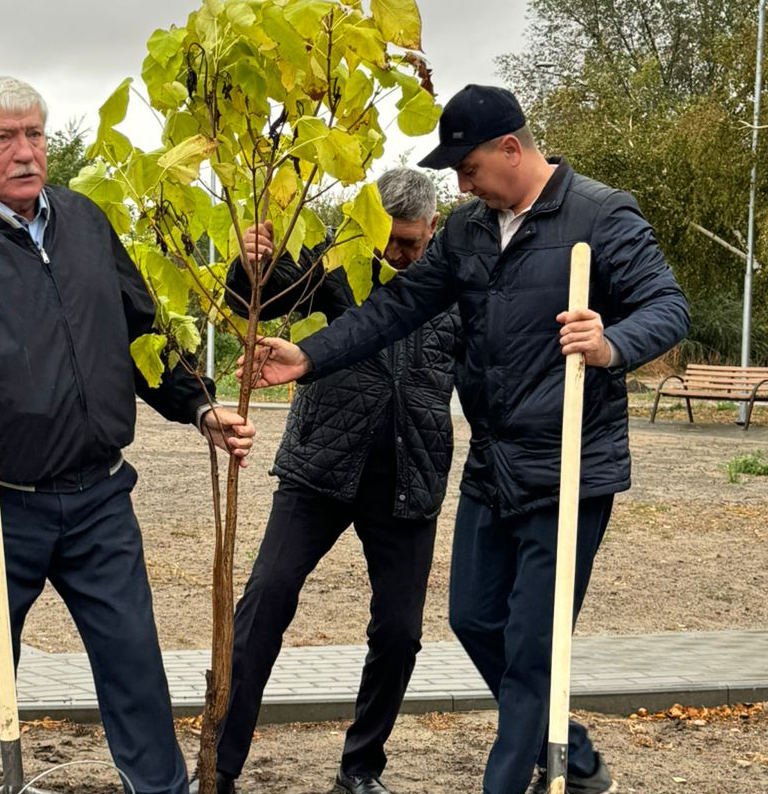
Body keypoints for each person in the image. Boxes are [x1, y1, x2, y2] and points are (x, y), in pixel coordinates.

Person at [238, 85, 689, 794]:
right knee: (474, 619)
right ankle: (565, 741)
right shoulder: (471, 230)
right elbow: (396, 307)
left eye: (468, 166)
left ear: (511, 148)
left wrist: (611, 342)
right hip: (492, 460)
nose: (460, 182)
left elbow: (668, 304)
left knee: (533, 651)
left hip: (569, 462)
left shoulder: (600, 214)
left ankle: (511, 778)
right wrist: (311, 356)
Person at [0, 75, 255, 794]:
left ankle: (161, 789)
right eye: (4, 137)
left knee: (135, 660)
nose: (26, 152)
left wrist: (199, 406)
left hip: (98, 495)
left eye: (35, 134)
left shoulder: (84, 223)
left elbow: (144, 336)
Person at [194, 169, 461, 794]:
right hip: (320, 466)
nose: (397, 254)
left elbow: (485, 369)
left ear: (432, 231)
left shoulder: (452, 285)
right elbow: (260, 302)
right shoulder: (333, 263)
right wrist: (249, 268)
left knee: (400, 633)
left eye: (411, 244)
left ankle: (361, 768)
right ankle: (221, 768)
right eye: (389, 240)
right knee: (263, 605)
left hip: (409, 475)